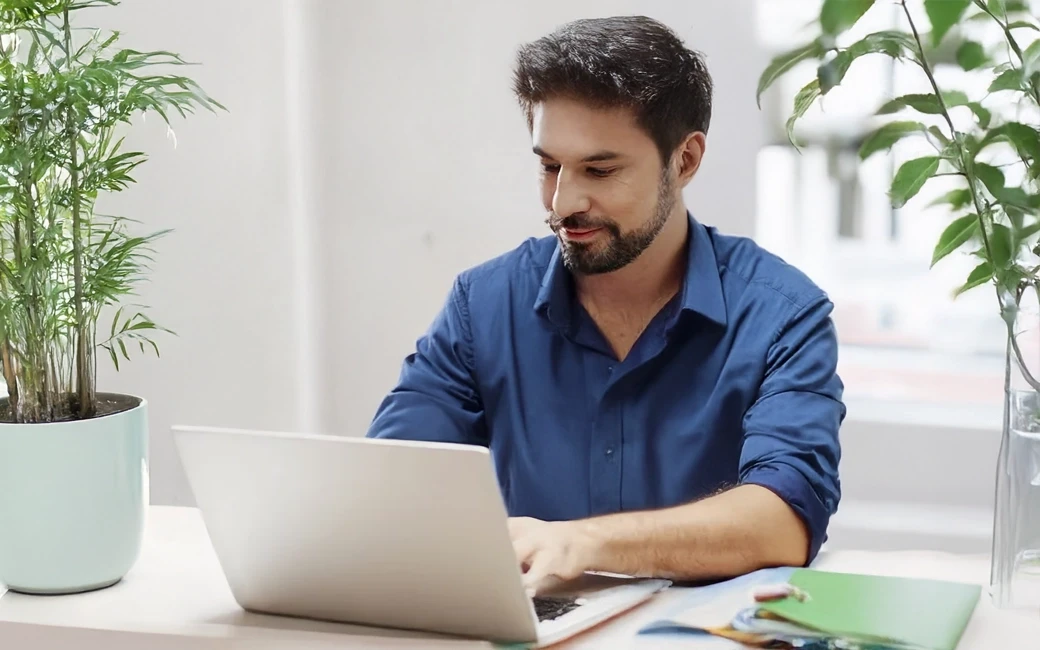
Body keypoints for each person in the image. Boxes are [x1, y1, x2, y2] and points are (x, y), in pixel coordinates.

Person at [366, 15, 844, 596]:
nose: (563, 202)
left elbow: (785, 519)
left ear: (685, 160)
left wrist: (583, 543)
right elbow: (393, 483)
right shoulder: (484, 304)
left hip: (699, 634)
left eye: (600, 170)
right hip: (533, 628)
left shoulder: (783, 315)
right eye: (549, 166)